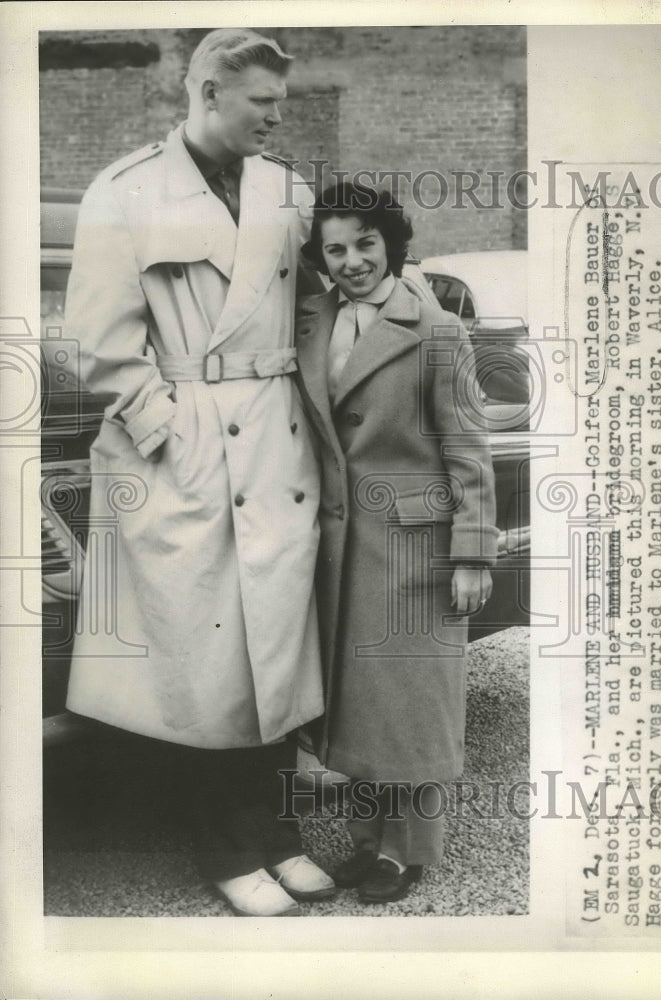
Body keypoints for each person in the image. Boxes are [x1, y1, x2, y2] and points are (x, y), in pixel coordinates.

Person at [64, 28, 335, 916]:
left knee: (280, 658)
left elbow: (319, 309)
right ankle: (227, 848)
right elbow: (101, 342)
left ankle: (280, 837)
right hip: (185, 447)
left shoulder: (286, 189)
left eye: (280, 105)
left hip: (276, 441)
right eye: (261, 102)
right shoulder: (126, 189)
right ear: (210, 92)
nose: (274, 118)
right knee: (207, 662)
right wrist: (171, 431)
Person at [294, 181, 498, 903]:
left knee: (410, 707)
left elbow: (466, 445)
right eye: (335, 249)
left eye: (365, 243)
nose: (351, 261)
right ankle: (365, 842)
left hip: (415, 544)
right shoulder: (312, 320)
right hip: (340, 546)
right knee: (357, 706)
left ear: (392, 244)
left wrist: (473, 550)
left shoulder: (436, 329)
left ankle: (406, 852)